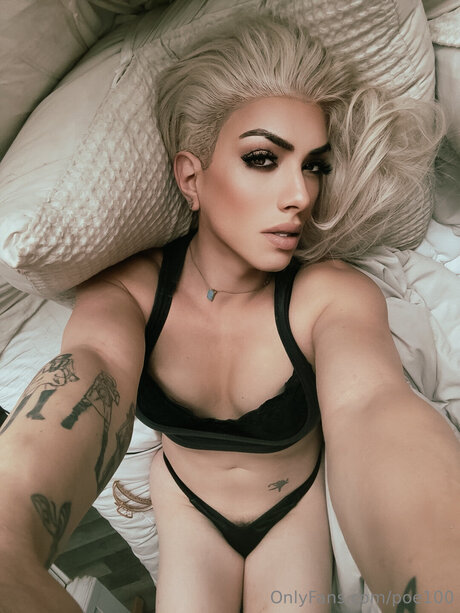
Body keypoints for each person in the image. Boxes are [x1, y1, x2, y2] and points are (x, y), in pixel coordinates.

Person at [0, 11, 459, 613]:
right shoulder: (131, 294)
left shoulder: (330, 295)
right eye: (264, 158)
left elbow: (373, 407)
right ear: (192, 177)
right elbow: (90, 372)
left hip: (292, 508)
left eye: (314, 165)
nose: (300, 194)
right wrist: (9, 545)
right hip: (187, 508)